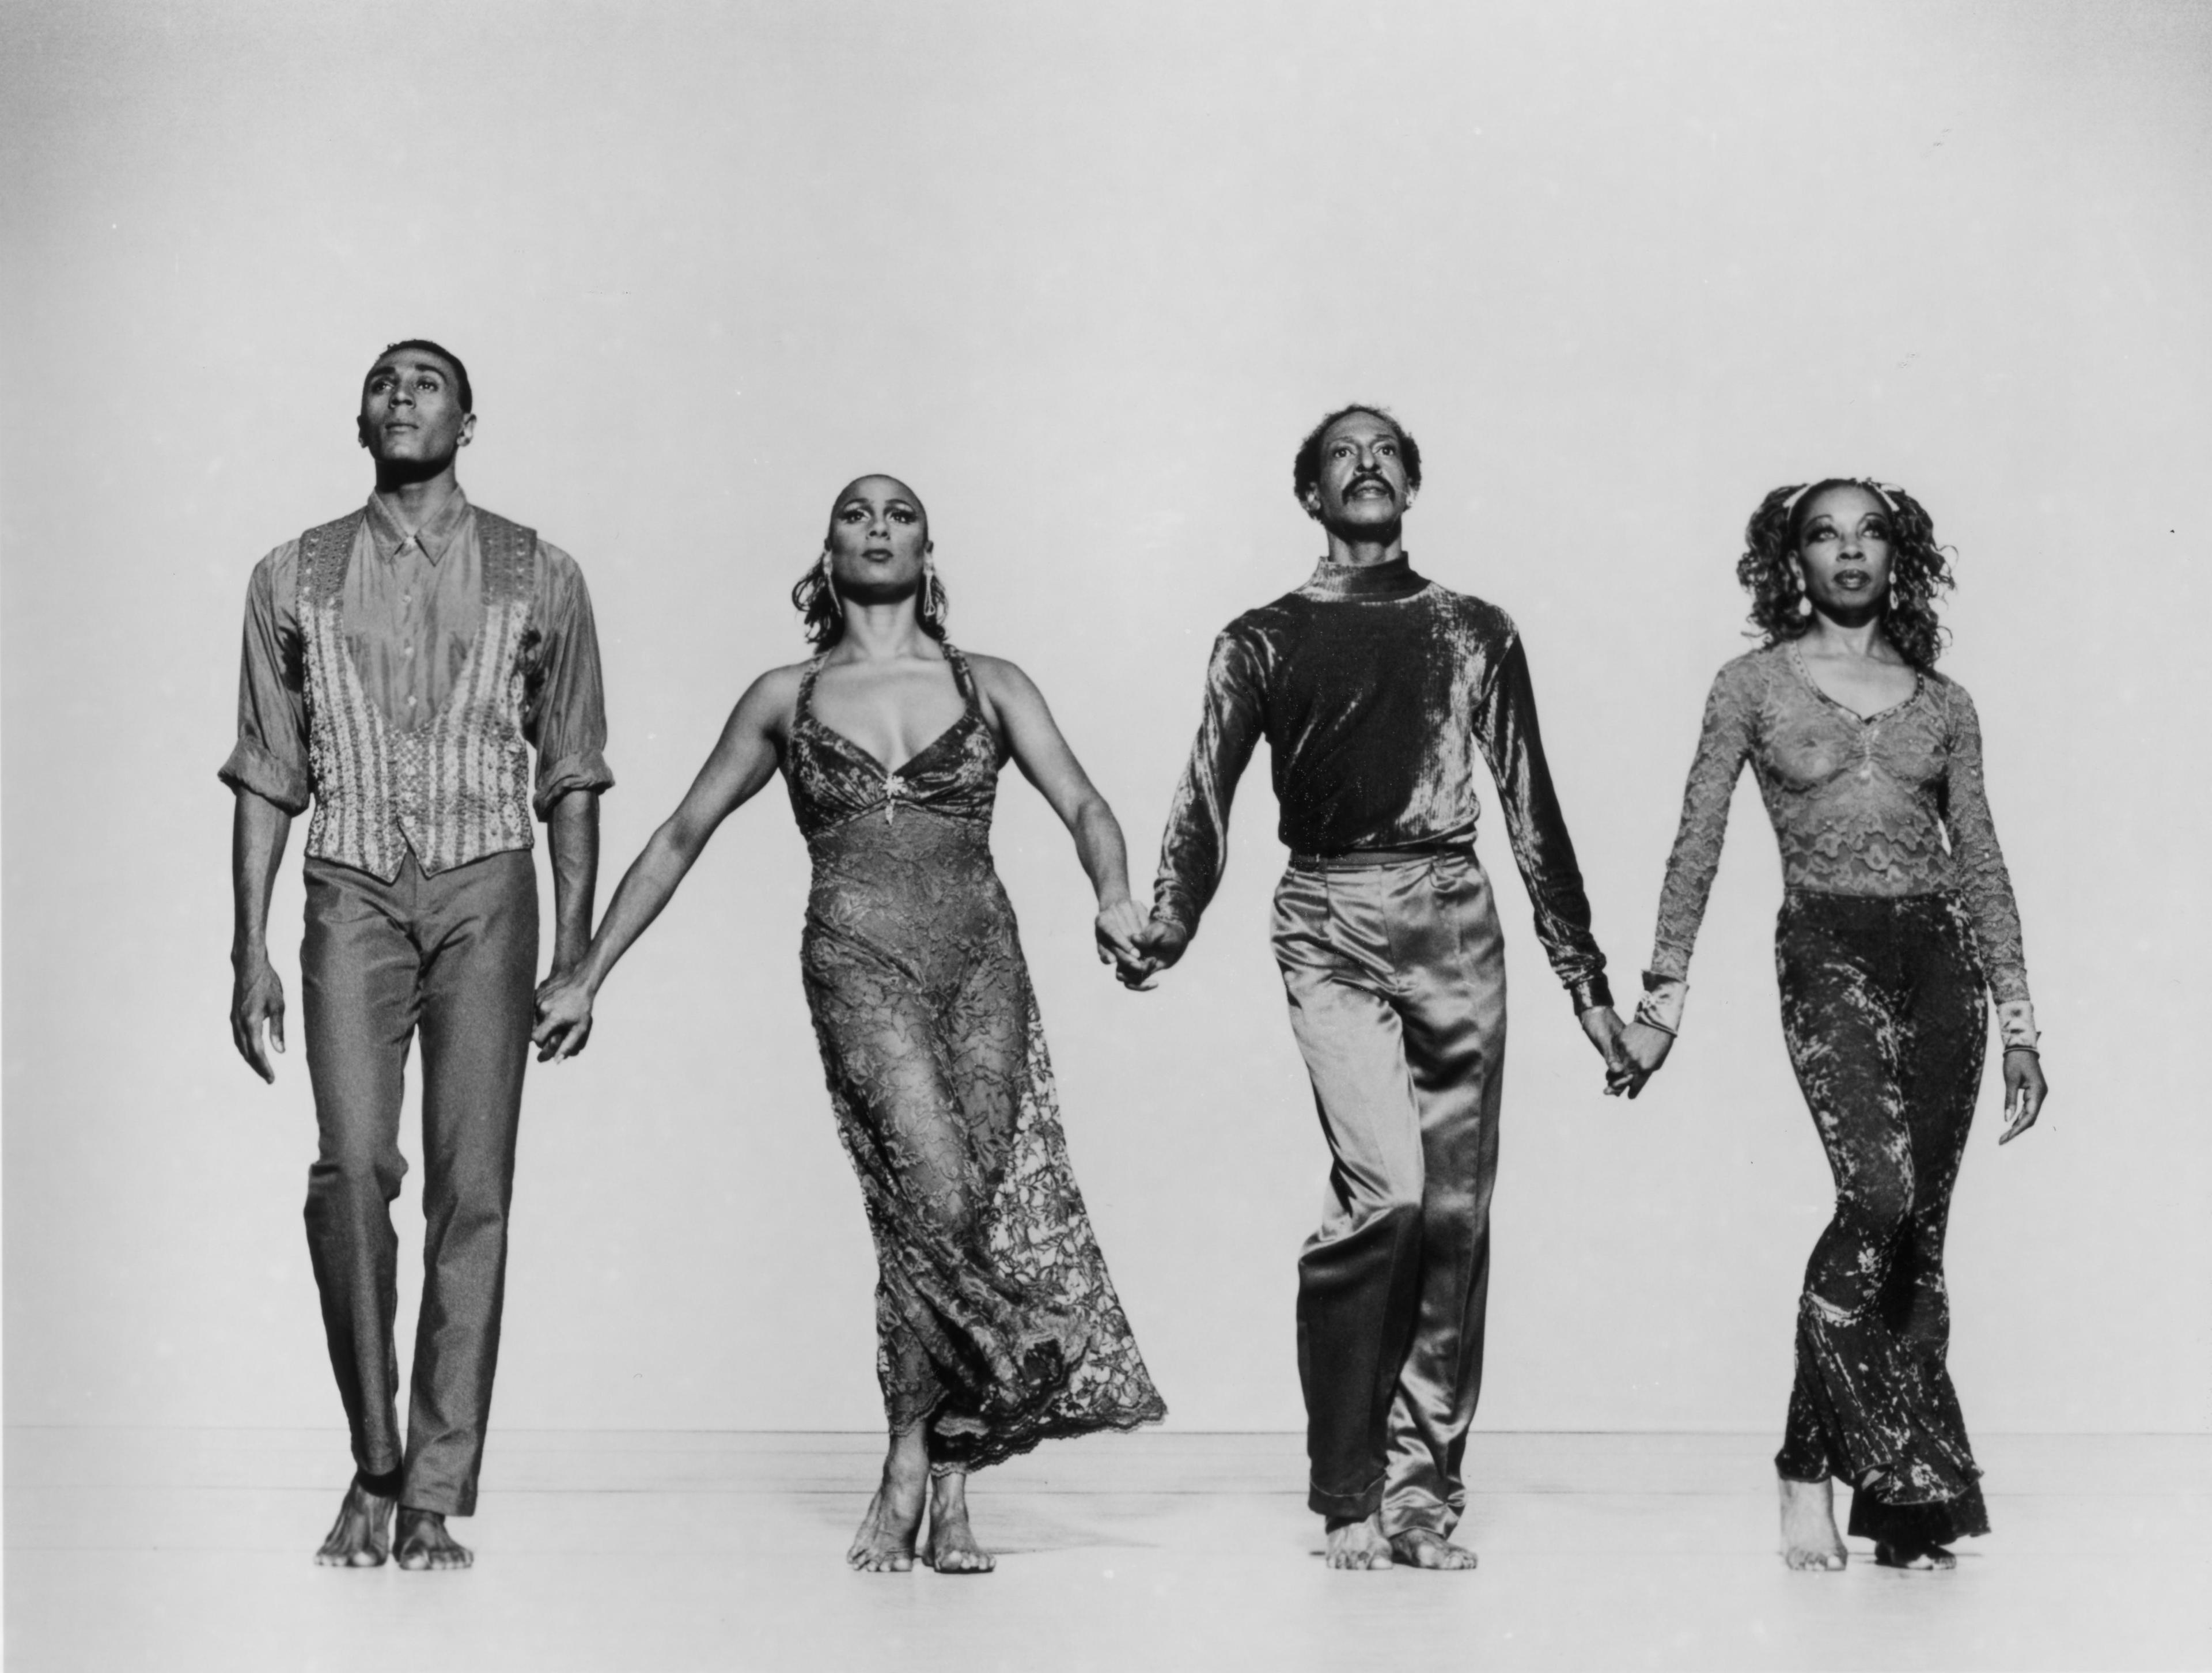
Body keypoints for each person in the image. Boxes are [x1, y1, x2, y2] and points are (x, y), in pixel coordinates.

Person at [532, 474, 1165, 1574]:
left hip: (981, 967)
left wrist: (1114, 894)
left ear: (931, 545)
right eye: (857, 513)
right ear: (826, 548)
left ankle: (951, 1486)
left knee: (955, 1211)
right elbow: (682, 833)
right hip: (856, 961)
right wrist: (587, 972)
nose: (879, 526)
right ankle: (910, 1461)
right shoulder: (784, 693)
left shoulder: (995, 681)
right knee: (929, 1182)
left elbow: (1088, 804)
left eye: (901, 512)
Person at [1120, 405, 1627, 1572]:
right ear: (1309, 492)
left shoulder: (1473, 629)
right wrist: (1166, 927)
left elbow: (1532, 810)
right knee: (1385, 1195)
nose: (1365, 466)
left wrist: (1585, 985)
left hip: (1453, 914)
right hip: (1328, 916)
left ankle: (1422, 1497)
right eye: (1341, 454)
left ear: (1413, 483)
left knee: (1454, 1216)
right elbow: (1206, 797)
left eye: (1386, 451)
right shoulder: (1260, 638)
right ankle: (1349, 1484)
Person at [221, 340, 614, 1570]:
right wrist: (247, 948)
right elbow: (266, 773)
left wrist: (579, 949)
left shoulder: (540, 570)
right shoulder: (290, 573)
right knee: (349, 1171)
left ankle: (432, 1495)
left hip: (489, 883)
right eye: (386, 382)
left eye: (428, 382)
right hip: (347, 884)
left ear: (469, 418)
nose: (404, 397)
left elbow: (573, 771)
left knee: (473, 1189)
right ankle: (376, 1458)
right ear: (357, 417)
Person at [1612, 478, 2049, 1572]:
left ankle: (1904, 1508)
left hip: (1942, 963)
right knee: (1878, 1198)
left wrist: (2025, 1019)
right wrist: (1660, 1003)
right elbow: (1696, 842)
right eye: (1824, 535)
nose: (1848, 552)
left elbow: (1983, 860)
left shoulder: (1945, 702)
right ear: (1791, 559)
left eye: (1869, 534)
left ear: (1899, 558)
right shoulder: (1751, 685)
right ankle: (1805, 1469)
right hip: (1828, 949)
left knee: (1921, 1240)